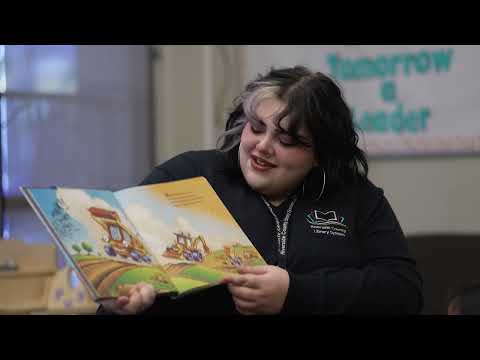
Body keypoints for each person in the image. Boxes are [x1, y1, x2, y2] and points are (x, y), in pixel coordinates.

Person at [98, 65, 423, 315]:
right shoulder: (189, 175)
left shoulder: (355, 196)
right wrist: (119, 297)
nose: (262, 147)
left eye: (287, 140)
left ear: (319, 155)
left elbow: (404, 291)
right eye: (256, 127)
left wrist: (294, 293)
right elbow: (115, 258)